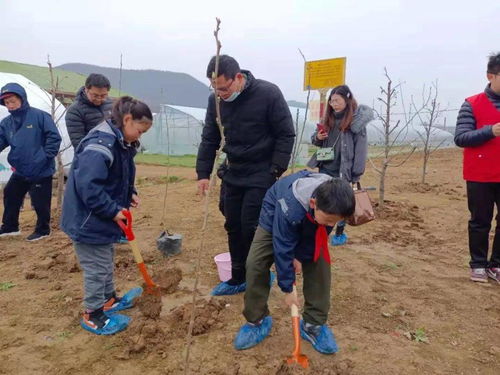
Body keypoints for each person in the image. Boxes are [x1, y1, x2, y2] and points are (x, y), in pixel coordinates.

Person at [196, 55, 296, 296]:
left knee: (251, 225)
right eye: (215, 89)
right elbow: (210, 137)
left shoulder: (268, 94)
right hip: (233, 171)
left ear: (238, 78)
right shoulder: (216, 102)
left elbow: (286, 134)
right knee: (232, 224)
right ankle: (238, 276)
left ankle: (259, 273)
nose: (220, 94)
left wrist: (275, 169)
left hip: (261, 172)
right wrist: (203, 173)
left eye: (224, 88)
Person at [233, 171, 355, 353]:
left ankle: (313, 324)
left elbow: (319, 230)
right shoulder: (290, 208)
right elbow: (282, 248)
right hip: (276, 207)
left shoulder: (332, 201)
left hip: (309, 216)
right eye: (329, 220)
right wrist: (288, 288)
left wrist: (300, 255)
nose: (331, 225)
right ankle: (256, 320)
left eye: (335, 222)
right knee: (255, 263)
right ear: (313, 204)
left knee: (319, 262)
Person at [61, 96, 153, 335]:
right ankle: (93, 314)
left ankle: (109, 299)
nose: (139, 137)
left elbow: (117, 176)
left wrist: (129, 192)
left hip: (100, 217)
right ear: (127, 119)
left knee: (106, 260)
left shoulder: (120, 141)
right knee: (97, 268)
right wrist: (113, 210)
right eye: (139, 131)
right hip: (88, 219)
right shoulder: (101, 143)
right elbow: (89, 187)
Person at [454, 52, 500, 283]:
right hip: (480, 175)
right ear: (490, 76)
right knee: (480, 220)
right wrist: (489, 131)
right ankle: (479, 264)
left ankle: (497, 265)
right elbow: (461, 137)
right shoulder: (471, 104)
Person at [307, 85, 373, 246]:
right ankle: (320, 230)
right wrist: (319, 137)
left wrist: (356, 174)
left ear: (347, 100)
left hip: (344, 170)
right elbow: (315, 140)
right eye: (331, 101)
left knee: (342, 201)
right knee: (324, 199)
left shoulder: (356, 123)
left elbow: (360, 150)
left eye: (337, 100)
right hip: (325, 167)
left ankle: (339, 234)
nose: (333, 104)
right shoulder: (328, 119)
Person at [0, 83, 62, 241]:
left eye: (13, 101)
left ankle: (43, 229)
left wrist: (45, 156)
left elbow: (53, 137)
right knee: (11, 194)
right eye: (7, 103)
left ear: (22, 98)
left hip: (40, 169)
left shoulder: (40, 116)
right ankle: (10, 226)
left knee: (40, 201)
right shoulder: (7, 123)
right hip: (20, 169)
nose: (10, 105)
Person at [65, 73, 113, 150]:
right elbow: (79, 143)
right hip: (90, 155)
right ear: (86, 90)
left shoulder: (111, 105)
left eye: (103, 95)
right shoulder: (75, 111)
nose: (99, 99)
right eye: (95, 95)